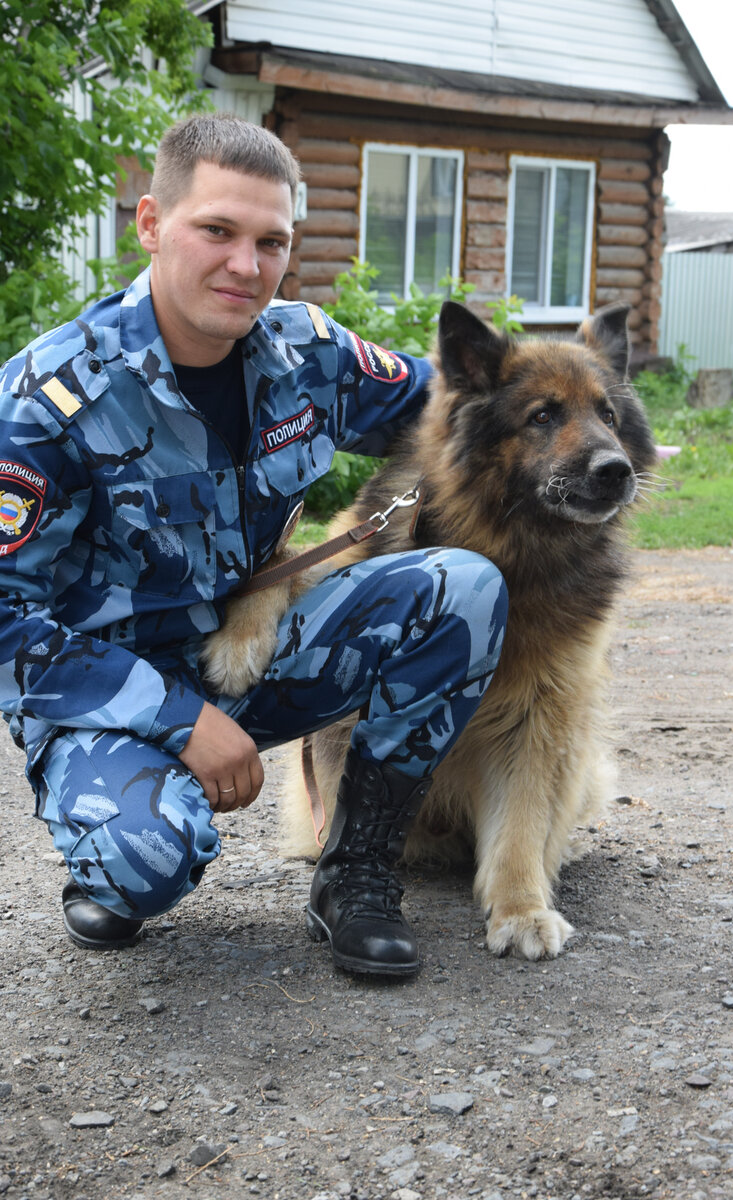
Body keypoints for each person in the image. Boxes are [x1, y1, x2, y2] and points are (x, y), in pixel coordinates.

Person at [0, 113, 507, 977]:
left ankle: (357, 869)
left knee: (462, 589)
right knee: (148, 860)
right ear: (153, 224)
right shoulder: (49, 398)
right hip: (113, 686)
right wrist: (176, 717)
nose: (247, 266)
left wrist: (574, 429)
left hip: (253, 648)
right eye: (218, 231)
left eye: (271, 241)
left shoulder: (307, 353)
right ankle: (113, 854)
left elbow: (455, 400)